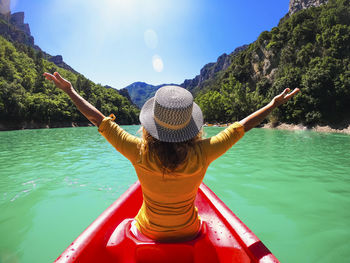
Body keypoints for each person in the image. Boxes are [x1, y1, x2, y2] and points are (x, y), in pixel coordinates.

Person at [44, 71, 299, 242]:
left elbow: (98, 120)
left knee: (125, 226)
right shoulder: (204, 152)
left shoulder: (138, 151)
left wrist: (70, 91)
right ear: (191, 125)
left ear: (151, 124)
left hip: (147, 231)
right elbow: (241, 127)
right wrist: (273, 105)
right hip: (191, 232)